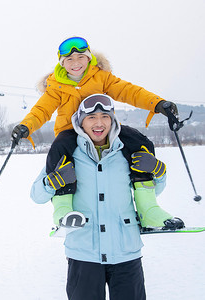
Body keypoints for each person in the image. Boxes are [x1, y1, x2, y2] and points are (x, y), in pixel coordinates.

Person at [30, 94, 183, 300]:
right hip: (84, 253)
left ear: (112, 120)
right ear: (80, 121)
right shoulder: (67, 151)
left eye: (105, 116)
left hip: (126, 252)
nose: (99, 123)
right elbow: (36, 195)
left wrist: (159, 171)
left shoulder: (127, 149)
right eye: (91, 117)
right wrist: (51, 182)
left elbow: (152, 192)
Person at [11, 36, 178, 147]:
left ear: (89, 58)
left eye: (81, 57)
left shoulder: (100, 77)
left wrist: (157, 103)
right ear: (62, 64)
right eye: (69, 59)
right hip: (70, 132)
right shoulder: (56, 86)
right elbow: (41, 110)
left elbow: (129, 91)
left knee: (140, 143)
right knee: (59, 150)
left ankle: (143, 186)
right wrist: (26, 126)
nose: (76, 63)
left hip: (103, 127)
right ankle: (64, 195)